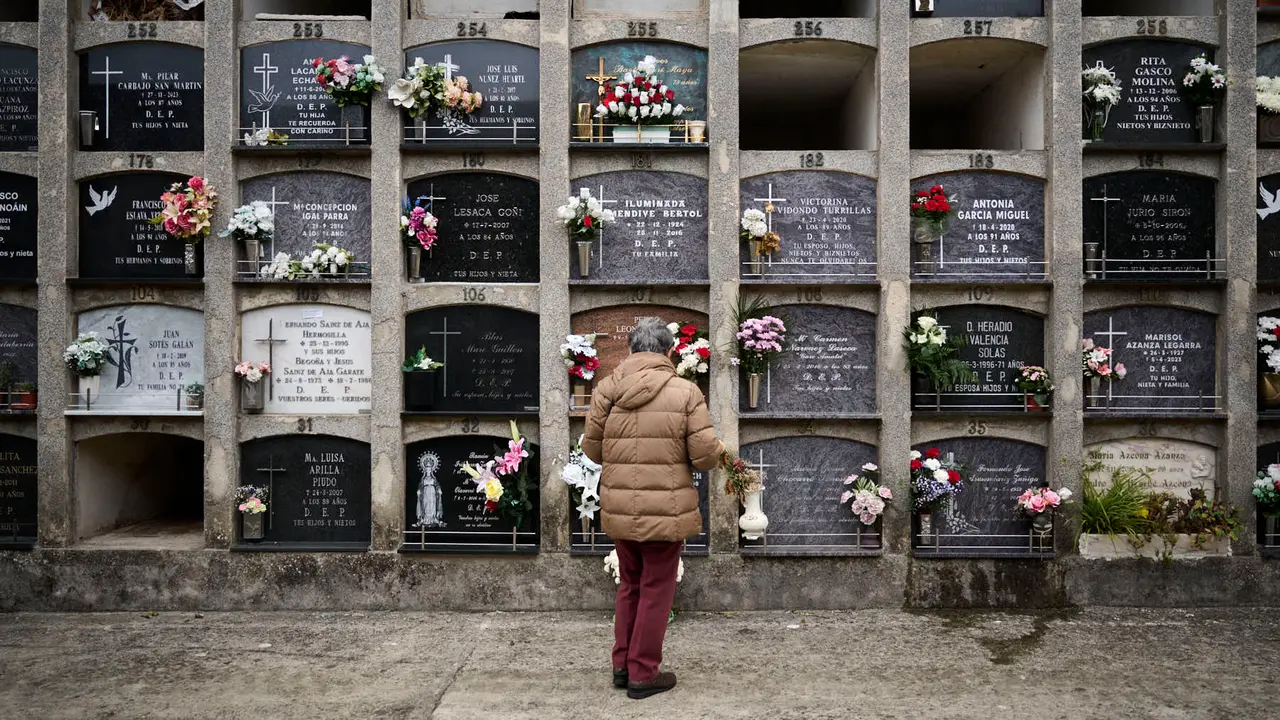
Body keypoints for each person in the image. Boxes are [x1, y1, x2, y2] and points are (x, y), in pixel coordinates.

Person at [582, 317, 725, 700]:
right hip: (666, 509)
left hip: (619, 507)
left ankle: (622, 665)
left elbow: (592, 451)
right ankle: (644, 673)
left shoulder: (605, 390)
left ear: (631, 349)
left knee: (630, 583)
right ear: (668, 350)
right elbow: (704, 457)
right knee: (656, 588)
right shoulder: (685, 392)